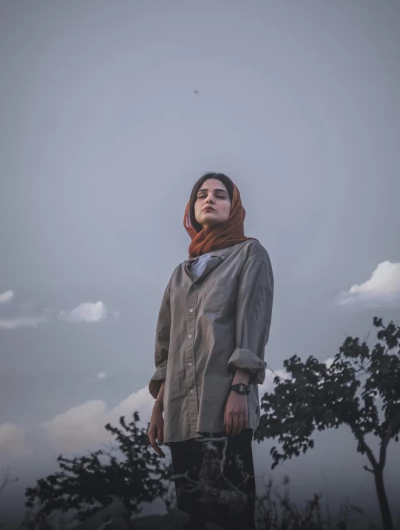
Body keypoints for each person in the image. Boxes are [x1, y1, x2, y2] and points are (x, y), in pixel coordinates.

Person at [147, 172, 274, 530]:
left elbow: (253, 324)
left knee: (232, 513)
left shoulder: (250, 254)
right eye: (201, 195)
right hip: (178, 414)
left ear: (233, 206)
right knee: (191, 514)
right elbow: (166, 345)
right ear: (191, 207)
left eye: (220, 195)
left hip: (226, 405)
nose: (209, 200)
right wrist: (159, 405)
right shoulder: (180, 273)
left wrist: (238, 389)